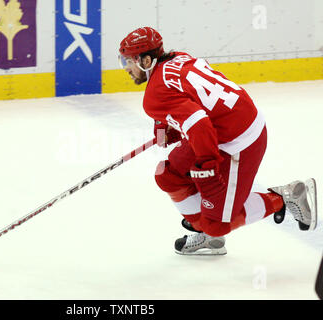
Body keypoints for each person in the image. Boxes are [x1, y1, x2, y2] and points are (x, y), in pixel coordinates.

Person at [118, 26, 318, 255]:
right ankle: (208, 233)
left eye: (128, 62)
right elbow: (188, 99)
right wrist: (166, 124)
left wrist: (207, 166)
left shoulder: (154, 96)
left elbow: (199, 124)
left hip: (240, 140)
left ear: (145, 61)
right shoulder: (178, 58)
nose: (125, 68)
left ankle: (283, 197)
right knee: (168, 176)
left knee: (217, 225)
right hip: (223, 127)